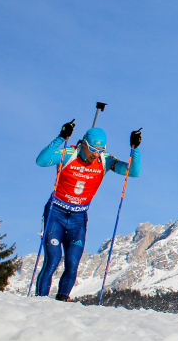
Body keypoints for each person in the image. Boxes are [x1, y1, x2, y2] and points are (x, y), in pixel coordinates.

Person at [34, 121, 142, 301]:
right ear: (84, 143)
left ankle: (60, 304)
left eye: (100, 150)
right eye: (93, 149)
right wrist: (61, 137)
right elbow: (41, 161)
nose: (96, 154)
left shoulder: (104, 160)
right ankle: (39, 302)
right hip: (56, 212)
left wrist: (134, 149)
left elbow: (134, 172)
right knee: (53, 260)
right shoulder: (68, 154)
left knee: (72, 264)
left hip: (78, 218)